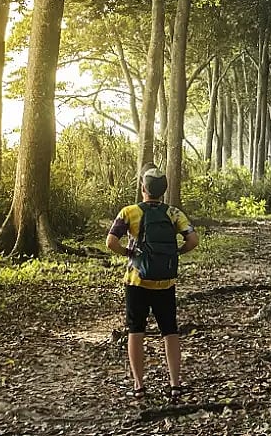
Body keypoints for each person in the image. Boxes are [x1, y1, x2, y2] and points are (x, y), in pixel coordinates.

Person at [106, 163, 199, 403]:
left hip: (136, 281)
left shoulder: (129, 212)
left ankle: (139, 386)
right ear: (163, 190)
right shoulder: (174, 213)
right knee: (170, 331)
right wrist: (177, 252)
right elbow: (193, 239)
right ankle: (175, 385)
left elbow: (110, 242)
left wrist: (129, 253)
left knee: (135, 331)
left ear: (143, 188)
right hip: (165, 281)